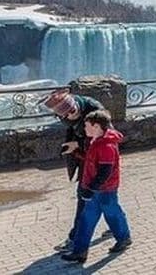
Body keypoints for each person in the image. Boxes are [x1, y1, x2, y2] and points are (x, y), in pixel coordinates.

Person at [61, 110, 132, 263]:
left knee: (112, 215)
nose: (84, 129)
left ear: (97, 126)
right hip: (95, 189)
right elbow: (91, 161)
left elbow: (105, 171)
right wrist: (76, 152)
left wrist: (90, 188)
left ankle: (124, 238)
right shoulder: (95, 141)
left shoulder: (106, 146)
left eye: (87, 126)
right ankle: (80, 252)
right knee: (86, 219)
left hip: (105, 190)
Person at [43, 89, 106, 252]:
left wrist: (78, 145)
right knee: (107, 198)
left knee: (84, 198)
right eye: (66, 115)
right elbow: (74, 133)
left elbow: (105, 140)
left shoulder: (95, 109)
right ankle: (119, 228)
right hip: (85, 158)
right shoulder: (68, 118)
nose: (72, 114)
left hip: (99, 161)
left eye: (72, 110)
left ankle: (75, 238)